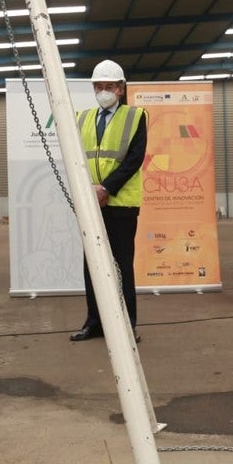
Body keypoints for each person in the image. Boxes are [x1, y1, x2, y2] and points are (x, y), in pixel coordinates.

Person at [70, 59, 147, 344]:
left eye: (109, 86)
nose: (103, 91)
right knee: (92, 264)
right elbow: (76, 158)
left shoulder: (136, 117)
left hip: (121, 204)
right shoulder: (81, 118)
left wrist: (106, 189)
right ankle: (95, 323)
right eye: (98, 86)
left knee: (121, 265)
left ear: (121, 88)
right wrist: (89, 191)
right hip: (91, 203)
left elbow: (134, 160)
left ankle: (127, 325)